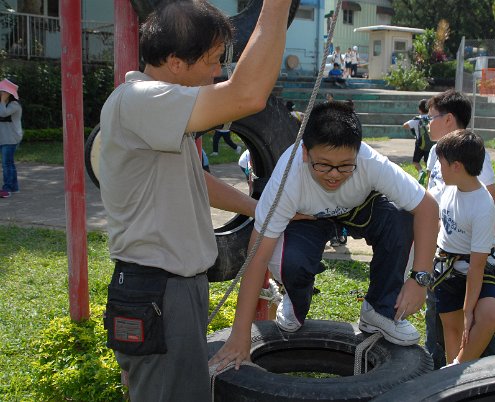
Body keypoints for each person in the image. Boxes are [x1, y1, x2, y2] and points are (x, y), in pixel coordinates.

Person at [98, 0, 292, 400]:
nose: (218, 72)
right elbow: (248, 95)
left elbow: (194, 181)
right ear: (174, 62)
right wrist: (276, 5)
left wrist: (261, 209)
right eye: (212, 60)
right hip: (160, 291)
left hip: (165, 289)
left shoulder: (156, 110)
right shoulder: (141, 99)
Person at [210, 101, 439, 369]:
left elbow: (427, 206)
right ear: (305, 152)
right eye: (324, 165)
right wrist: (240, 335)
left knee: (402, 220)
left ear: (357, 152)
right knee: (289, 260)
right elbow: (256, 257)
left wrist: (420, 279)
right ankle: (295, 301)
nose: (333, 176)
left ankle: (380, 309)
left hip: (361, 207)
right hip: (308, 218)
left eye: (344, 166)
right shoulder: (287, 179)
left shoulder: (369, 162)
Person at [424, 89, 495, 369]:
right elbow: (428, 206)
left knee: (485, 316)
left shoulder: (479, 201)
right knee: (447, 329)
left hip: (474, 261)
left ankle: (463, 371)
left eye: (431, 117)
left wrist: (469, 310)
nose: (427, 122)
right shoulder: (447, 184)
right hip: (445, 265)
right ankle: (451, 375)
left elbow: (478, 264)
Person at [0, 78, 23, 198]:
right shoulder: (2, 104)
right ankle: (14, 187)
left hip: (11, 139)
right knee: (9, 163)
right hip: (3, 138)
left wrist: (3, 100)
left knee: (6, 164)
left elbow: (2, 113)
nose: (0, 94)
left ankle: (7, 189)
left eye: (3, 92)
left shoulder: (14, 105)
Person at [402, 99, 432, 184]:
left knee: (415, 162)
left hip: (420, 144)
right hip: (431, 145)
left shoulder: (417, 120)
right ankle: (430, 180)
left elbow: (405, 125)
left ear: (419, 109)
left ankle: (421, 172)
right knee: (428, 163)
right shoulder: (432, 118)